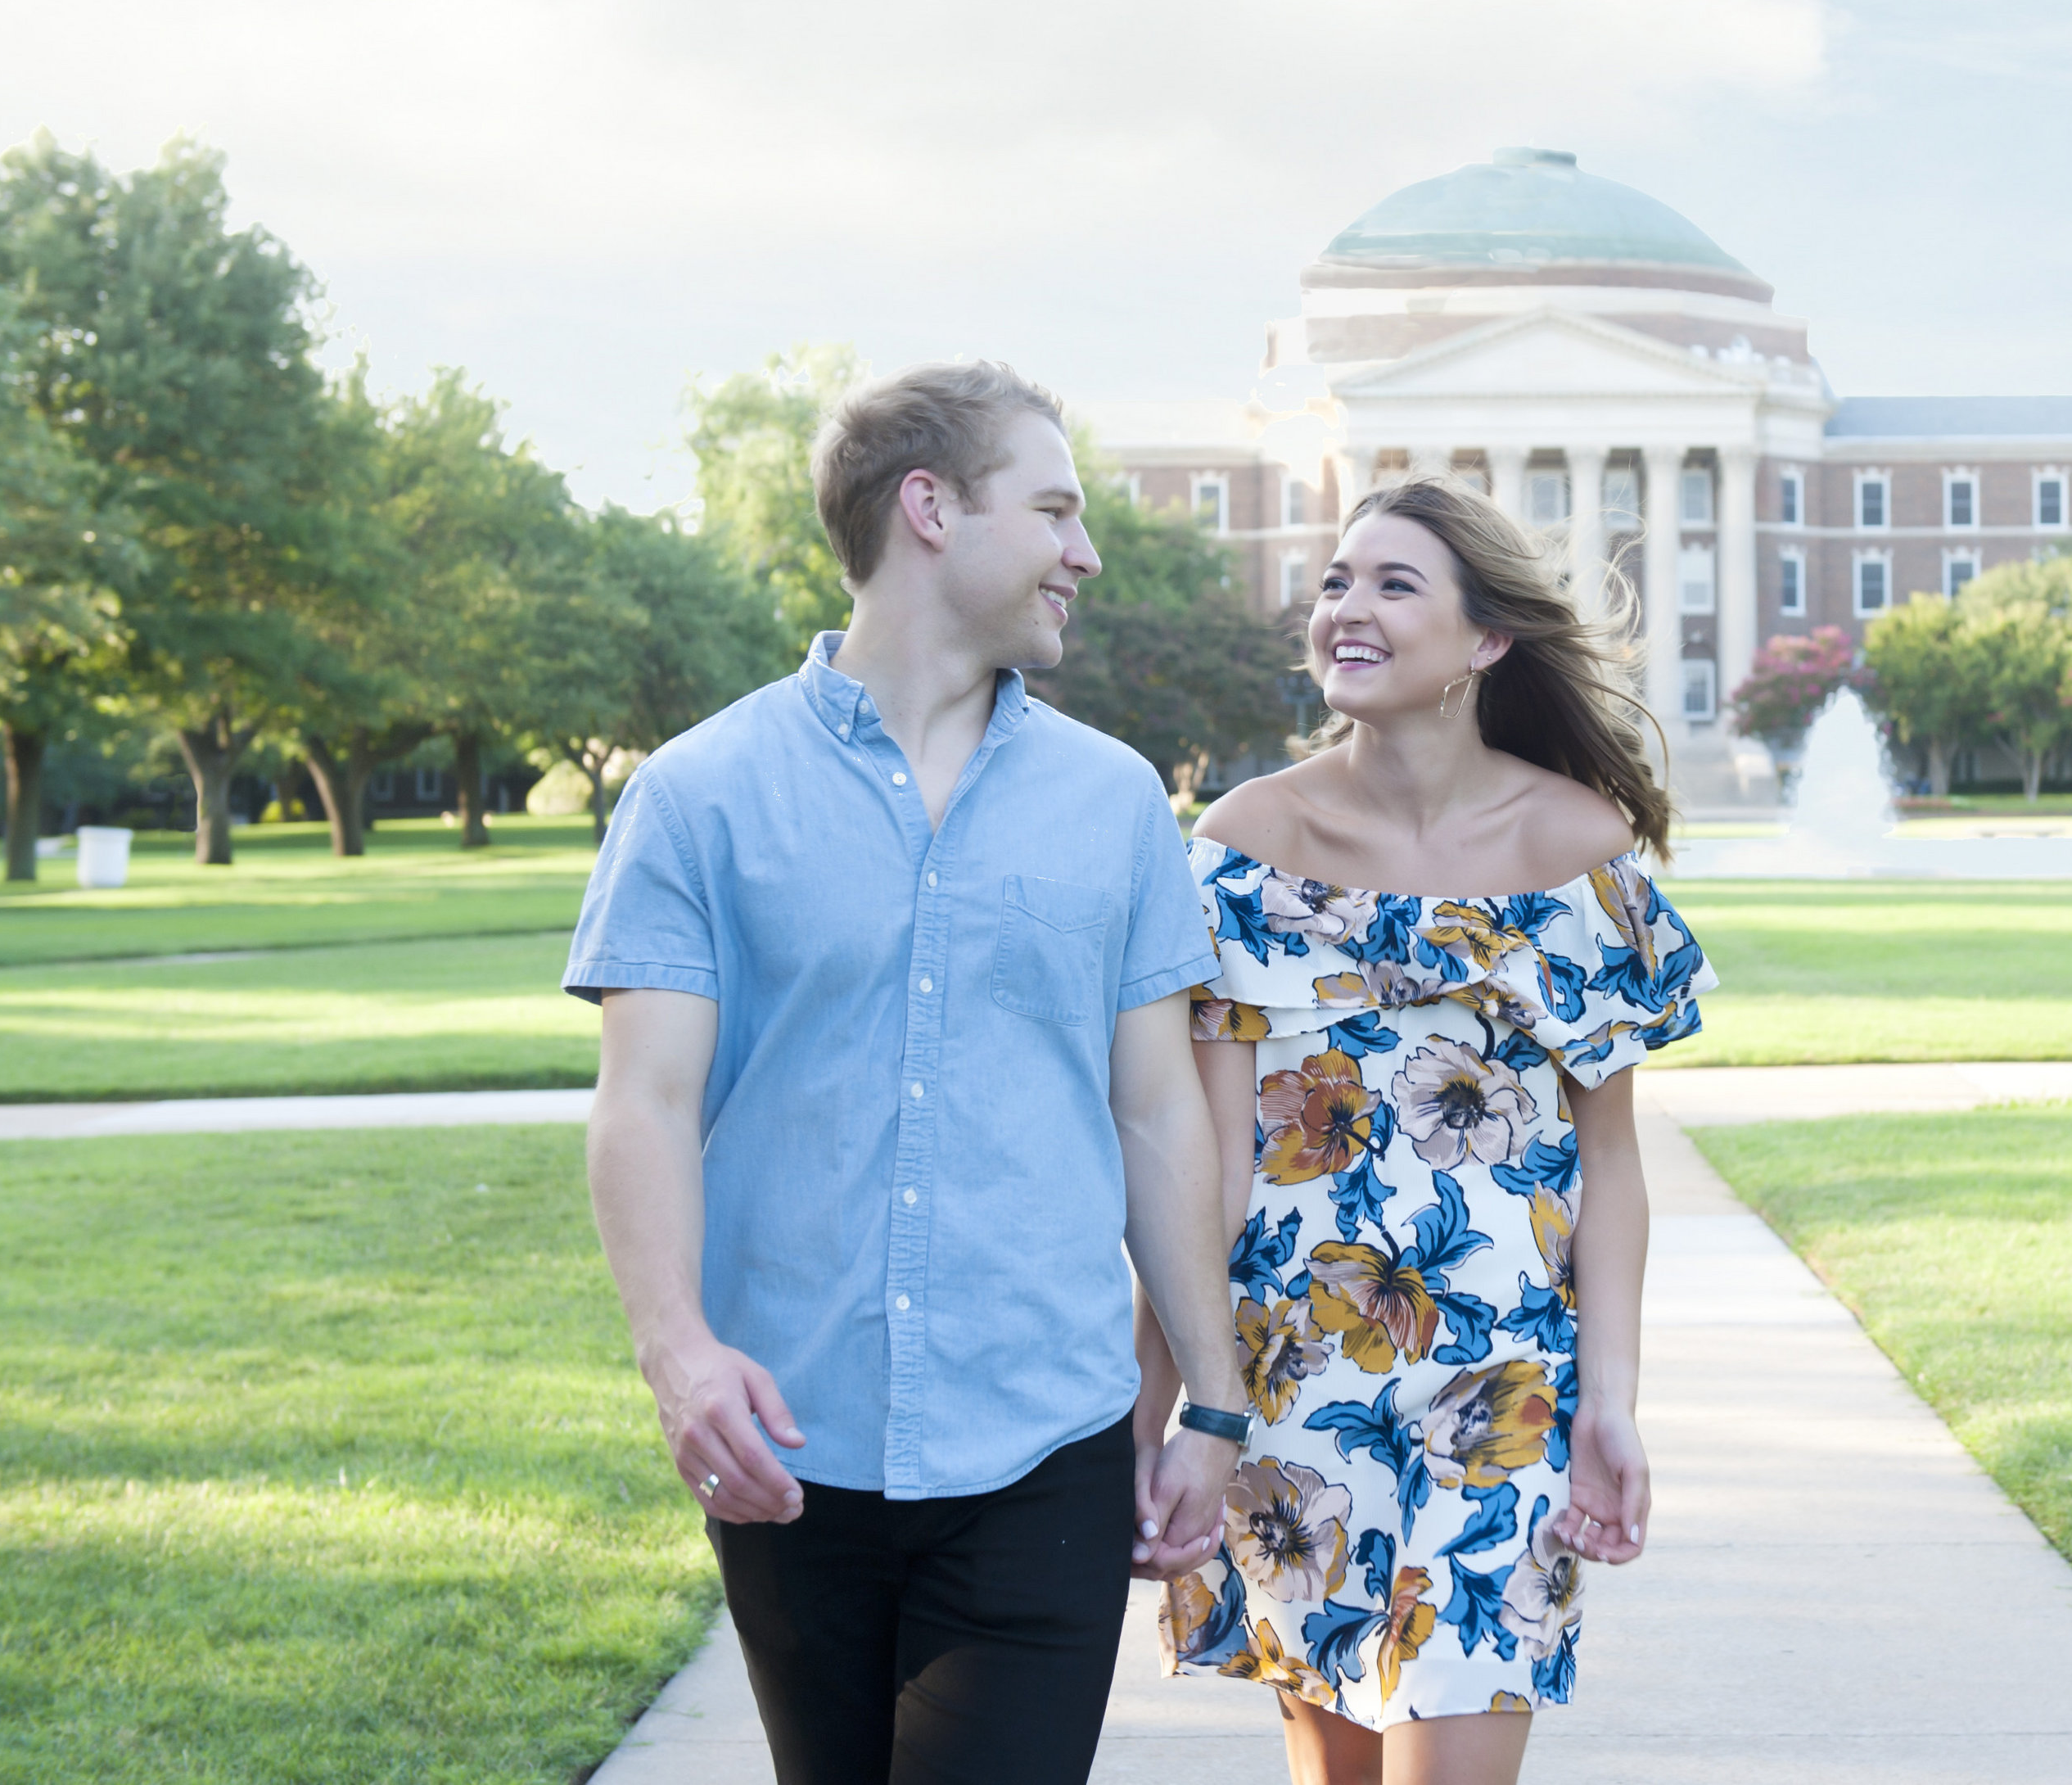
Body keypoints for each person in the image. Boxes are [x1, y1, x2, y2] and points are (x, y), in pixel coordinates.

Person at [567, 360, 1249, 1785]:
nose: (1087, 552)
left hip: (1046, 1445)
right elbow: (647, 1099)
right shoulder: (698, 793)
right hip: (792, 1444)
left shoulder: (1116, 800)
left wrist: (1214, 1399)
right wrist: (676, 1349)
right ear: (930, 508)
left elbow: (1157, 1113)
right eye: (1055, 509)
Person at [1137, 477, 1714, 1784]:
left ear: (1486, 640)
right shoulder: (1242, 845)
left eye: (1395, 585)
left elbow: (1612, 1164)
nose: (1346, 606)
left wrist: (1610, 1401)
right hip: (1295, 1389)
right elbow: (1206, 1170)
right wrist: (1175, 1405)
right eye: (1337, 580)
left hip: (1503, 1386)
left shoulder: (1577, 848)